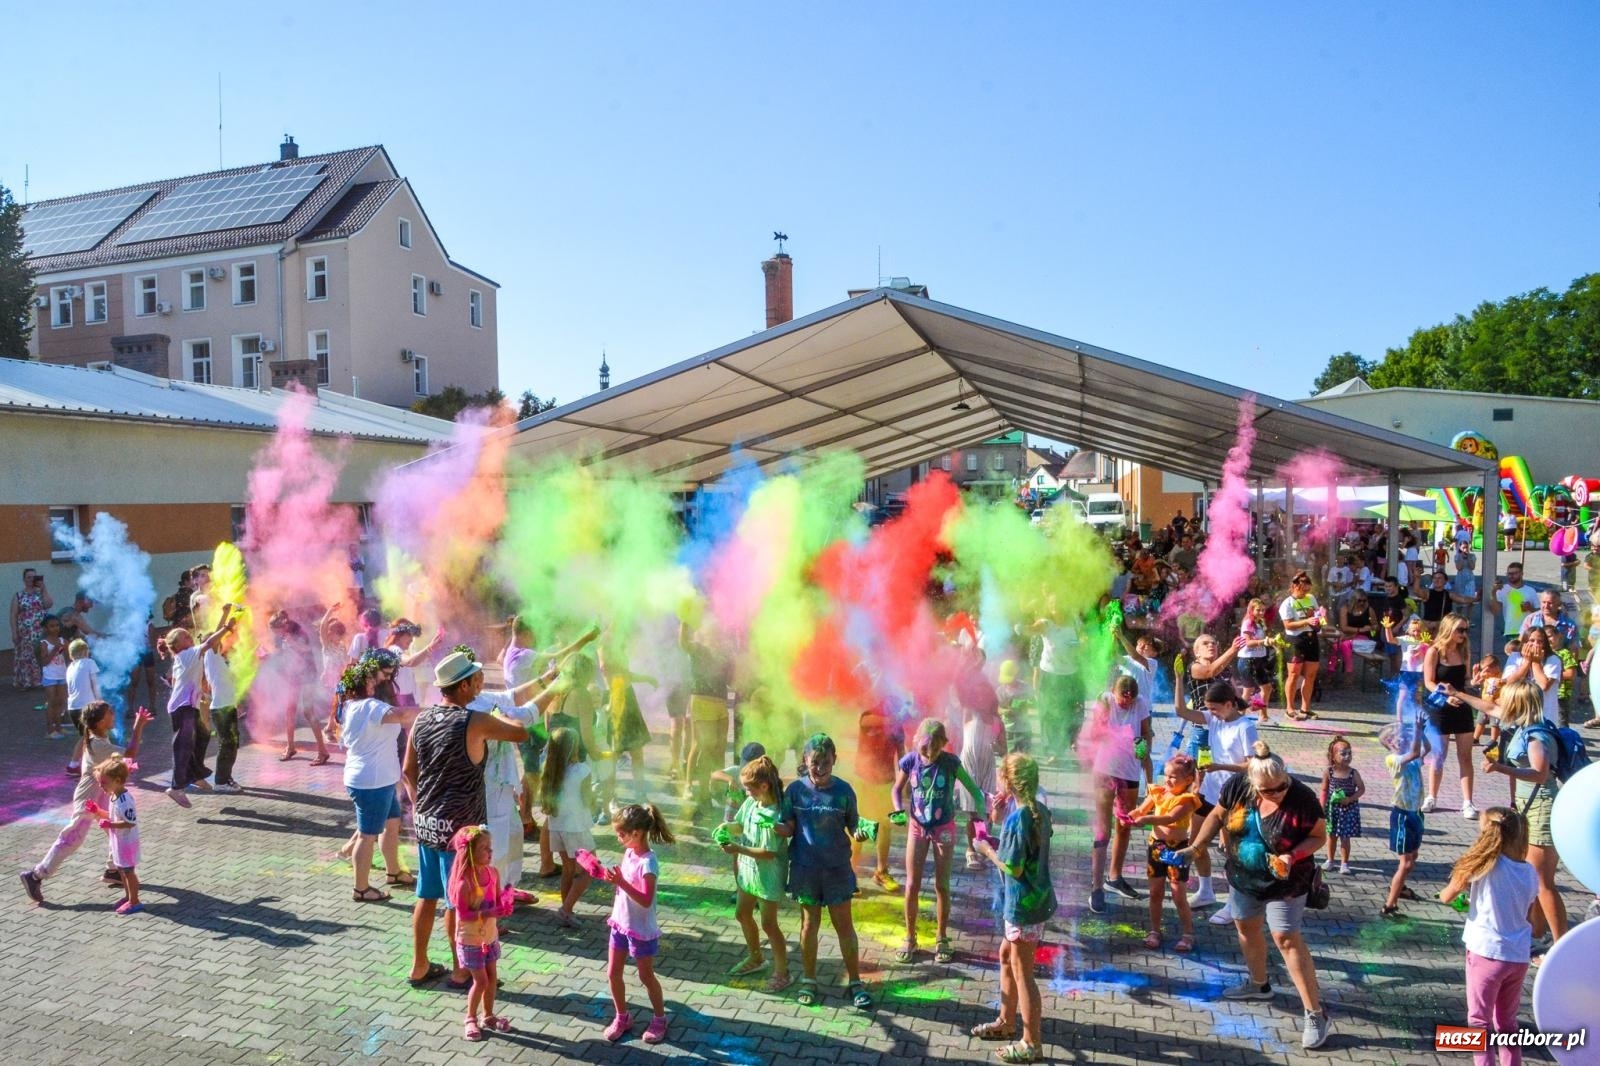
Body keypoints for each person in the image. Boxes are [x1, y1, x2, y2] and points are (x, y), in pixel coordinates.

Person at [1176, 742, 1332, 1051]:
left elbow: (1318, 836)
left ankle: (1316, 1013)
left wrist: (1292, 856)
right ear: (1253, 782)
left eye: (1280, 787)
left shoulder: (1303, 798)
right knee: (1245, 927)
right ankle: (1259, 985)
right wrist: (1196, 847)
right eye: (1268, 790)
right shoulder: (1238, 785)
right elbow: (1217, 816)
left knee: (1285, 938)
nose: (1276, 793)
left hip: (1287, 882)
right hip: (1244, 878)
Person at [403, 649, 531, 990]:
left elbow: (407, 771)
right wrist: (502, 711)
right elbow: (520, 732)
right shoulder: (473, 720)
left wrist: (421, 806)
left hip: (428, 823)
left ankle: (419, 966)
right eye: (476, 678)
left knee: (425, 895)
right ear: (462, 687)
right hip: (461, 830)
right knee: (458, 900)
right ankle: (462, 971)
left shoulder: (422, 719)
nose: (480, 681)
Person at [1447, 680, 1568, 945]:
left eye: (1507, 700)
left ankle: (1562, 947)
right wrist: (1456, 693)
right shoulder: (1521, 724)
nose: (1501, 704)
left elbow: (1540, 773)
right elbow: (1489, 707)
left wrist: (1500, 768)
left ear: (1517, 703)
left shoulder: (1536, 736)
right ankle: (1537, 934)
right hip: (1527, 808)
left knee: (1543, 882)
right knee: (1535, 880)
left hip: (1541, 810)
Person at [20, 702, 151, 904]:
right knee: (73, 836)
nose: (113, 713)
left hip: (102, 792)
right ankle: (36, 875)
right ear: (100, 722)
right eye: (110, 713)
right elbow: (131, 753)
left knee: (114, 829)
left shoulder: (97, 737)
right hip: (89, 795)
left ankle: (113, 870)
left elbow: (115, 762)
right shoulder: (98, 743)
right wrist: (138, 727)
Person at [1436, 808, 1539, 1066]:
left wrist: (1462, 897)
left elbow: (1446, 896)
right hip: (1517, 956)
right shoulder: (1529, 872)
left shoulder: (1483, 864)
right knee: (1507, 1022)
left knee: (1479, 1022)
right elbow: (1533, 921)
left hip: (1485, 954)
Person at [970, 754, 1055, 1065]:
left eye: (999, 776)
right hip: (1034, 901)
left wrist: (986, 849)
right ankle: (1006, 1022)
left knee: (1024, 974)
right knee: (1007, 956)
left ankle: (1032, 1043)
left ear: (1007, 781)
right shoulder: (1038, 811)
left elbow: (1013, 869)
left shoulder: (1019, 819)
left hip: (1023, 906)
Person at [783, 733, 873, 1010]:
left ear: (835, 760)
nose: (820, 768)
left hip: (836, 870)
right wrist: (774, 828)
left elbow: (854, 825)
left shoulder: (844, 791)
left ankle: (855, 983)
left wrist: (861, 833)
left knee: (844, 926)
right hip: (805, 870)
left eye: (825, 762)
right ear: (805, 761)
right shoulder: (794, 791)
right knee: (809, 925)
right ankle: (809, 980)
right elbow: (787, 826)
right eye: (814, 762)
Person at [892, 719, 985, 963]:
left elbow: (974, 790)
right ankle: (910, 937)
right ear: (916, 742)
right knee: (912, 884)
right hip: (917, 827)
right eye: (925, 748)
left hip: (944, 828)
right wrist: (897, 810)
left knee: (942, 885)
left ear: (944, 743)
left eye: (935, 748)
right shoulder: (910, 760)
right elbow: (896, 790)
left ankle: (941, 938)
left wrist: (981, 815)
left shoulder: (951, 763)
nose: (930, 754)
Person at [337, 658, 421, 902]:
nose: (381, 680)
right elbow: (403, 714)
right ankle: (361, 888)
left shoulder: (354, 705)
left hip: (377, 779)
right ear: (364, 681)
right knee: (366, 835)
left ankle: (393, 871)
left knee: (392, 823)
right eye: (376, 676)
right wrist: (438, 711)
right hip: (371, 782)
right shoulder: (369, 706)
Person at [601, 803, 677, 1044]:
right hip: (620, 925)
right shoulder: (629, 853)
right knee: (613, 973)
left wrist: (621, 883)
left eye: (621, 833)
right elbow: (625, 887)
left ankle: (659, 1018)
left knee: (646, 976)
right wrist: (614, 880)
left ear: (637, 833)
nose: (618, 837)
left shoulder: (648, 862)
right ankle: (622, 1016)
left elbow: (645, 899)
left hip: (641, 930)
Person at [1083, 675, 1153, 912]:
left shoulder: (1140, 702)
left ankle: (1115, 877)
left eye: (1130, 701)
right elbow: (1094, 734)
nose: (1127, 704)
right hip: (1105, 769)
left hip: (1130, 772)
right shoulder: (1104, 700)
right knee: (1103, 828)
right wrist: (1115, 735)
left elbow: (1145, 734)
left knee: (1125, 824)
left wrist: (1140, 752)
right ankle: (1095, 888)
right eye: (1123, 700)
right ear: (1113, 692)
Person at [720, 755, 790, 990]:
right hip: (748, 873)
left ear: (764, 786)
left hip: (767, 877)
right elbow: (739, 824)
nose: (745, 792)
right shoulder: (751, 803)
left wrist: (738, 848)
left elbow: (768, 852)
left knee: (769, 925)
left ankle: (782, 972)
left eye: (748, 788)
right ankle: (756, 957)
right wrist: (726, 828)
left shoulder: (774, 814)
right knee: (742, 913)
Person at [157, 605, 235, 808]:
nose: (189, 637)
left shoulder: (189, 654)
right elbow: (210, 641)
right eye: (185, 636)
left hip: (187, 705)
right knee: (182, 747)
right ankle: (176, 787)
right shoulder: (187, 654)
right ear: (178, 645)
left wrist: (224, 615)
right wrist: (227, 627)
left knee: (203, 735)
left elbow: (211, 641)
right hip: (182, 708)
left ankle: (196, 774)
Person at [1127, 754, 1201, 953]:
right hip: (1156, 847)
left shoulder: (1187, 800)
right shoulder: (1158, 792)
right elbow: (1142, 809)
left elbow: (1169, 818)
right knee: (1155, 892)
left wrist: (1146, 820)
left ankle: (1188, 934)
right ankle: (1154, 930)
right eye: (1166, 775)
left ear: (1188, 780)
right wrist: (1134, 814)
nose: (1167, 780)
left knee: (1178, 895)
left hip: (1178, 851)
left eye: (1173, 777)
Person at [448, 825, 513, 1041]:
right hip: (470, 939)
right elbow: (465, 914)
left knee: (492, 977)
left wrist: (504, 905)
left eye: (490, 847)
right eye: (484, 848)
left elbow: (495, 902)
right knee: (481, 981)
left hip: (489, 936)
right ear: (470, 853)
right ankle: (470, 1018)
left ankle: (488, 1015)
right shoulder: (463, 882)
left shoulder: (492, 873)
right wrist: (490, 912)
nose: (490, 851)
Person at [1421, 615, 1481, 817]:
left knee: (1465, 756)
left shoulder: (1464, 652)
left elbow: (1465, 681)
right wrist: (1444, 696)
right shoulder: (1434, 651)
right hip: (1440, 707)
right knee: (1438, 756)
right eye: (1460, 630)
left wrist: (1475, 680)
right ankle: (1431, 796)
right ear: (1448, 629)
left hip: (1461, 705)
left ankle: (1468, 802)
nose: (1463, 634)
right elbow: (1428, 682)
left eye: (1465, 630)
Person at [541, 727, 596, 926]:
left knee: (568, 869)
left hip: (557, 826)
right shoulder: (582, 770)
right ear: (573, 747)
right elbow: (587, 799)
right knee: (590, 868)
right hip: (577, 827)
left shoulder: (549, 769)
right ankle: (565, 910)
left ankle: (568, 910)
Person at [852, 695, 904, 892]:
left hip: (887, 782)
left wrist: (904, 783)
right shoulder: (868, 716)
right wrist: (896, 719)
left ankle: (881, 872)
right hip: (864, 781)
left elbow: (902, 754)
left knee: (885, 826)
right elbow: (868, 722)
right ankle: (850, 873)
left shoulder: (897, 724)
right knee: (861, 827)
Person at [92, 756, 143, 913]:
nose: (101, 786)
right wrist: (98, 811)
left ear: (118, 780)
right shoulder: (114, 796)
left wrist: (110, 825)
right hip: (119, 842)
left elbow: (130, 822)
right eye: (100, 782)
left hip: (127, 843)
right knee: (121, 871)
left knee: (128, 872)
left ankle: (134, 901)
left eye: (104, 782)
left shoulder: (125, 801)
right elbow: (113, 815)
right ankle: (128, 897)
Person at [1279, 572, 1324, 721]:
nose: (1306, 592)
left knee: (1310, 675)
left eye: (1307, 589)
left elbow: (1317, 615)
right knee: (1294, 674)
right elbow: (1288, 624)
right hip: (1295, 640)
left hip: (1311, 638)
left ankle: (1305, 708)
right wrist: (1307, 621)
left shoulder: (1311, 598)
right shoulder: (1287, 603)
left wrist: (1320, 618)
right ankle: (1290, 708)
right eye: (1303, 589)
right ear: (1295, 586)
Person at [205, 625, 244, 793]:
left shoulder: (219, 659)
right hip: (221, 709)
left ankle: (226, 777)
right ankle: (220, 781)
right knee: (227, 744)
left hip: (228, 706)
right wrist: (226, 621)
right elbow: (214, 637)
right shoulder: (211, 656)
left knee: (233, 743)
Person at [1318, 736, 1364, 874]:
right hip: (1333, 810)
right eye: (1343, 753)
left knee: (1345, 837)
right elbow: (1324, 790)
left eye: (1349, 753)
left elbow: (1361, 789)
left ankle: (1344, 863)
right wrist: (1322, 805)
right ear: (1333, 756)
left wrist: (1350, 799)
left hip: (1348, 810)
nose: (1347, 756)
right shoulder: (1329, 772)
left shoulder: (1353, 773)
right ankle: (1330, 860)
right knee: (1331, 836)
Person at [1501, 629, 1561, 726]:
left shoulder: (1553, 659)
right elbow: (1509, 683)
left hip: (1543, 716)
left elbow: (1544, 686)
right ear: (1524, 642)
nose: (1535, 644)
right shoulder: (1515, 656)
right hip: (1516, 714)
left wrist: (1536, 662)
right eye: (1531, 640)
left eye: (1540, 641)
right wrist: (1526, 662)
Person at [11, 568, 52, 690]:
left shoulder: (40, 594)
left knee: (41, 655)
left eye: (33, 577)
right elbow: (13, 615)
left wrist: (43, 588)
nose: (31, 579)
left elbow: (49, 604)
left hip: (41, 632)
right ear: (24, 579)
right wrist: (14, 633)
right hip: (25, 633)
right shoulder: (19, 596)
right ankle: (27, 682)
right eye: (28, 577)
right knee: (26, 657)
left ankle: (42, 681)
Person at [64, 639, 100, 774]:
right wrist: (100, 701)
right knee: (90, 736)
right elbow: (95, 684)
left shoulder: (70, 667)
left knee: (86, 736)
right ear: (84, 651)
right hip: (86, 706)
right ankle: (77, 765)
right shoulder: (89, 663)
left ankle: (78, 764)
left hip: (72, 707)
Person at [1235, 599, 1275, 721]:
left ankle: (1263, 715)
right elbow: (1248, 642)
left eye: (1263, 610)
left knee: (1267, 687)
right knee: (1248, 691)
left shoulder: (1261, 623)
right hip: (1247, 660)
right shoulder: (1248, 623)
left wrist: (1274, 643)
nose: (1261, 612)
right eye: (1258, 610)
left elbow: (1264, 639)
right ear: (1251, 610)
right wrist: (1264, 641)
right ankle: (1238, 717)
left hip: (1259, 660)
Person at [1487, 562, 1535, 649]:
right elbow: (1495, 611)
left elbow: (1539, 612)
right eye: (1509, 573)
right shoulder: (1502, 589)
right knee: (1514, 658)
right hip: (1511, 631)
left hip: (1528, 631)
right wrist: (1493, 593)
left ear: (1521, 574)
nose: (1511, 576)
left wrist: (1530, 608)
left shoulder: (1530, 591)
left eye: (1515, 573)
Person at [37, 615, 69, 739]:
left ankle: (59, 728)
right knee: (51, 702)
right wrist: (55, 649)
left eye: (57, 625)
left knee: (61, 701)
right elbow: (45, 661)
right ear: (45, 628)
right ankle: (50, 730)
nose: (55, 628)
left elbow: (66, 657)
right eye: (51, 626)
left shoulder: (62, 641)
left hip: (62, 674)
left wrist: (65, 650)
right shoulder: (44, 643)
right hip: (50, 676)